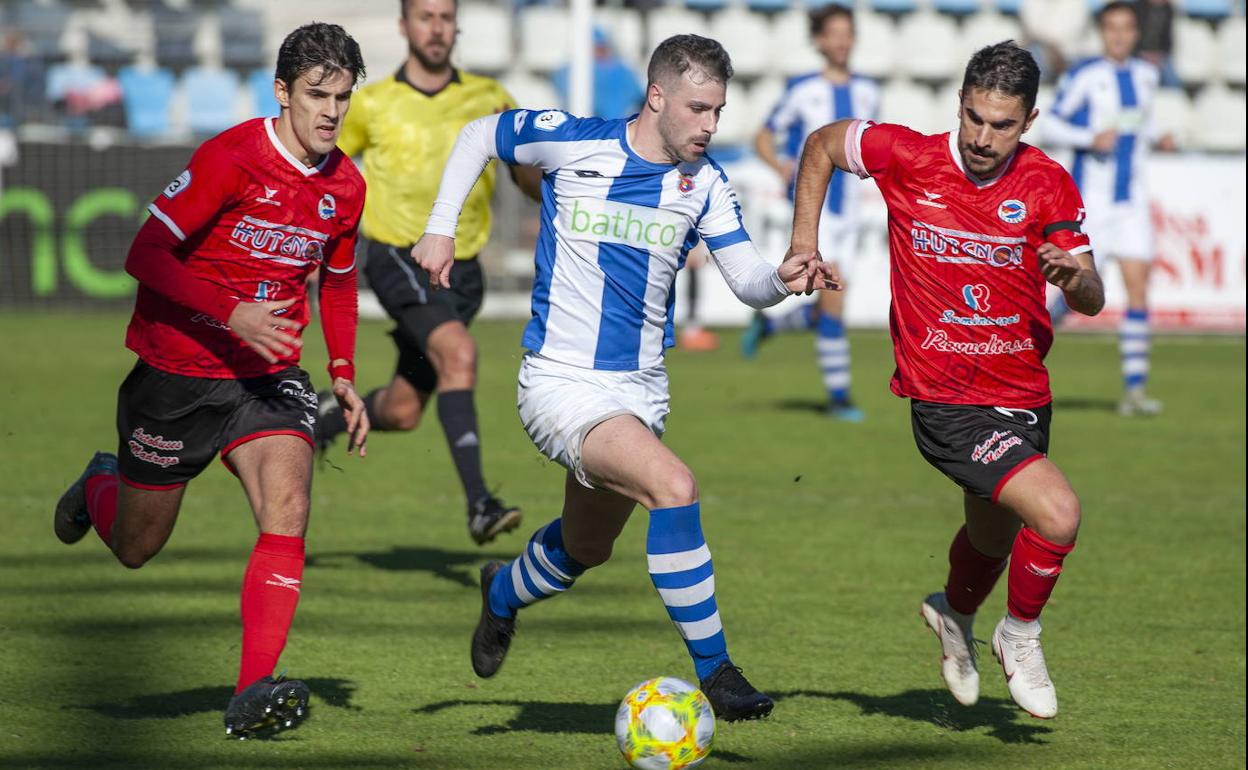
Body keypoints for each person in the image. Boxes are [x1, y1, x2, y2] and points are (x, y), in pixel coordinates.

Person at [414, 34, 838, 722]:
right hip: (559, 384)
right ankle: (718, 672)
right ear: (658, 97)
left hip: (639, 393)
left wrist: (783, 280)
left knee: (585, 547)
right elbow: (477, 134)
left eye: (719, 111)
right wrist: (440, 227)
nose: (710, 125)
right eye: (699, 109)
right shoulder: (572, 141)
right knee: (674, 489)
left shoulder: (705, 185)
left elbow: (749, 282)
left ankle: (500, 594)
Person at [51, 23, 370, 738]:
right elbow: (146, 252)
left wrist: (344, 373)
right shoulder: (230, 158)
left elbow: (341, 283)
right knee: (137, 547)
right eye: (317, 95)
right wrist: (233, 312)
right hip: (176, 378)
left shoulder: (346, 184)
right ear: (282, 92)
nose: (331, 112)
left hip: (269, 379)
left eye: (343, 98)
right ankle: (99, 483)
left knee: (288, 505)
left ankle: (253, 692)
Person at [790, 42, 1105, 719]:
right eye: (975, 118)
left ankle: (952, 614)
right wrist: (803, 243)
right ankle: (1018, 637)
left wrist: (1075, 277)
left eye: (1004, 125)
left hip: (1023, 393)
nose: (985, 138)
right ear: (958, 103)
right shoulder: (907, 155)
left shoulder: (1048, 183)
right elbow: (819, 145)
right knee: (1057, 514)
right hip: (945, 399)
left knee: (992, 538)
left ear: (1031, 120)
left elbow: (1092, 298)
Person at [322, 0, 542, 545]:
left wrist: (563, 192)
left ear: (456, 25)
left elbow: (525, 177)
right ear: (404, 26)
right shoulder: (372, 104)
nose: (436, 26)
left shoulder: (489, 99)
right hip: (398, 255)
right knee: (460, 355)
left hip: (463, 275)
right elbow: (323, 171)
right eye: (425, 16)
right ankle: (480, 505)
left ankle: (320, 420)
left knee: (401, 411)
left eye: (445, 16)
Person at [744, 4, 880, 420]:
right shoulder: (803, 88)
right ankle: (839, 397)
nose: (841, 41)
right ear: (820, 40)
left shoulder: (869, 91)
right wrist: (780, 165)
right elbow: (763, 137)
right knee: (835, 299)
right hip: (817, 211)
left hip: (852, 210)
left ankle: (771, 326)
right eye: (833, 33)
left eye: (847, 33)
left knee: (829, 300)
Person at [1044, 1, 1176, 416]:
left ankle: (1134, 391)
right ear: (1102, 33)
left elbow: (1139, 124)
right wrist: (1088, 138)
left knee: (1138, 290)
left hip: (1131, 202)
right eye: (1112, 28)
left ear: (1136, 33)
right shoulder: (1086, 75)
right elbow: (1049, 123)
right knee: (1073, 290)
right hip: (1093, 204)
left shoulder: (1146, 76)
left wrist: (1160, 138)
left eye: (1126, 28)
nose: (1119, 35)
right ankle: (1022, 356)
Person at [552, 26, 645, 121]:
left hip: (619, 127)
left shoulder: (622, 70)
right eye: (595, 47)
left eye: (602, 47)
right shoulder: (571, 71)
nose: (599, 51)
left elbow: (638, 96)